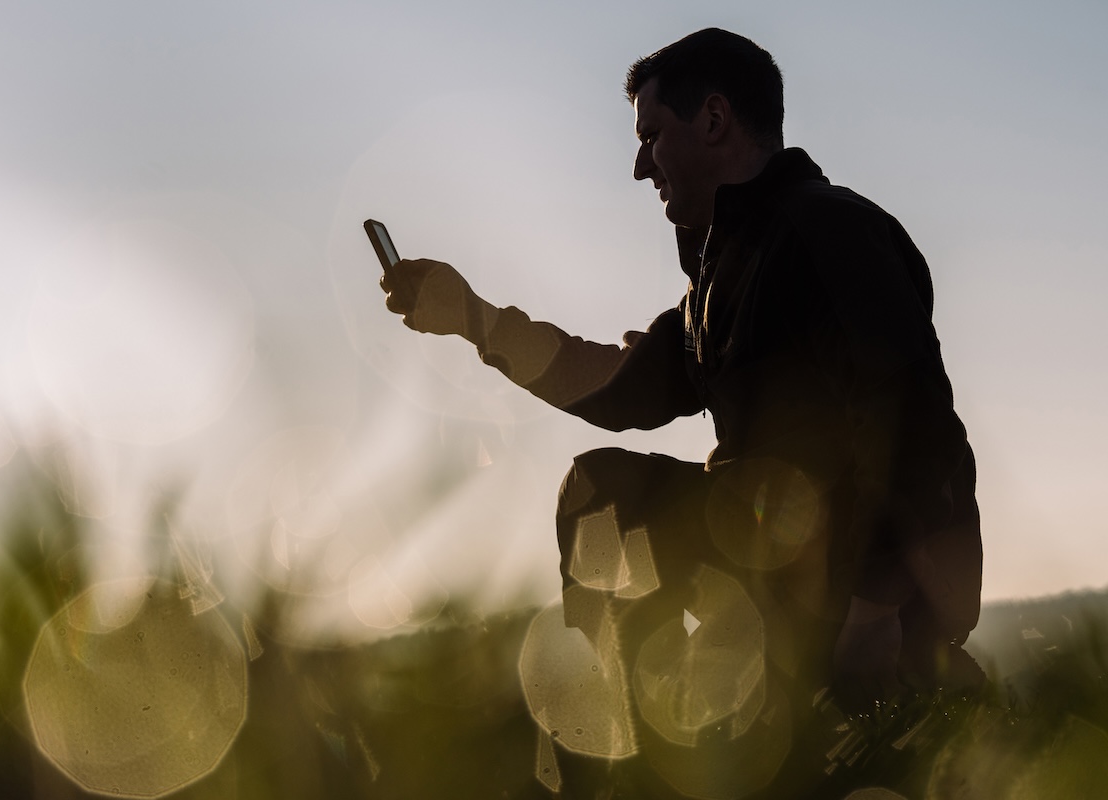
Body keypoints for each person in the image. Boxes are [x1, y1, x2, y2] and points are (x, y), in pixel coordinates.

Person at [380, 27, 983, 709]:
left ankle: (911, 681)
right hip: (776, 566)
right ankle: (626, 740)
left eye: (652, 135)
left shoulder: (830, 232)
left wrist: (873, 613)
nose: (641, 166)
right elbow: (614, 386)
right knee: (601, 493)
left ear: (715, 118)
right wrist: (472, 318)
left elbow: (914, 427)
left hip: (864, 597)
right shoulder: (720, 280)